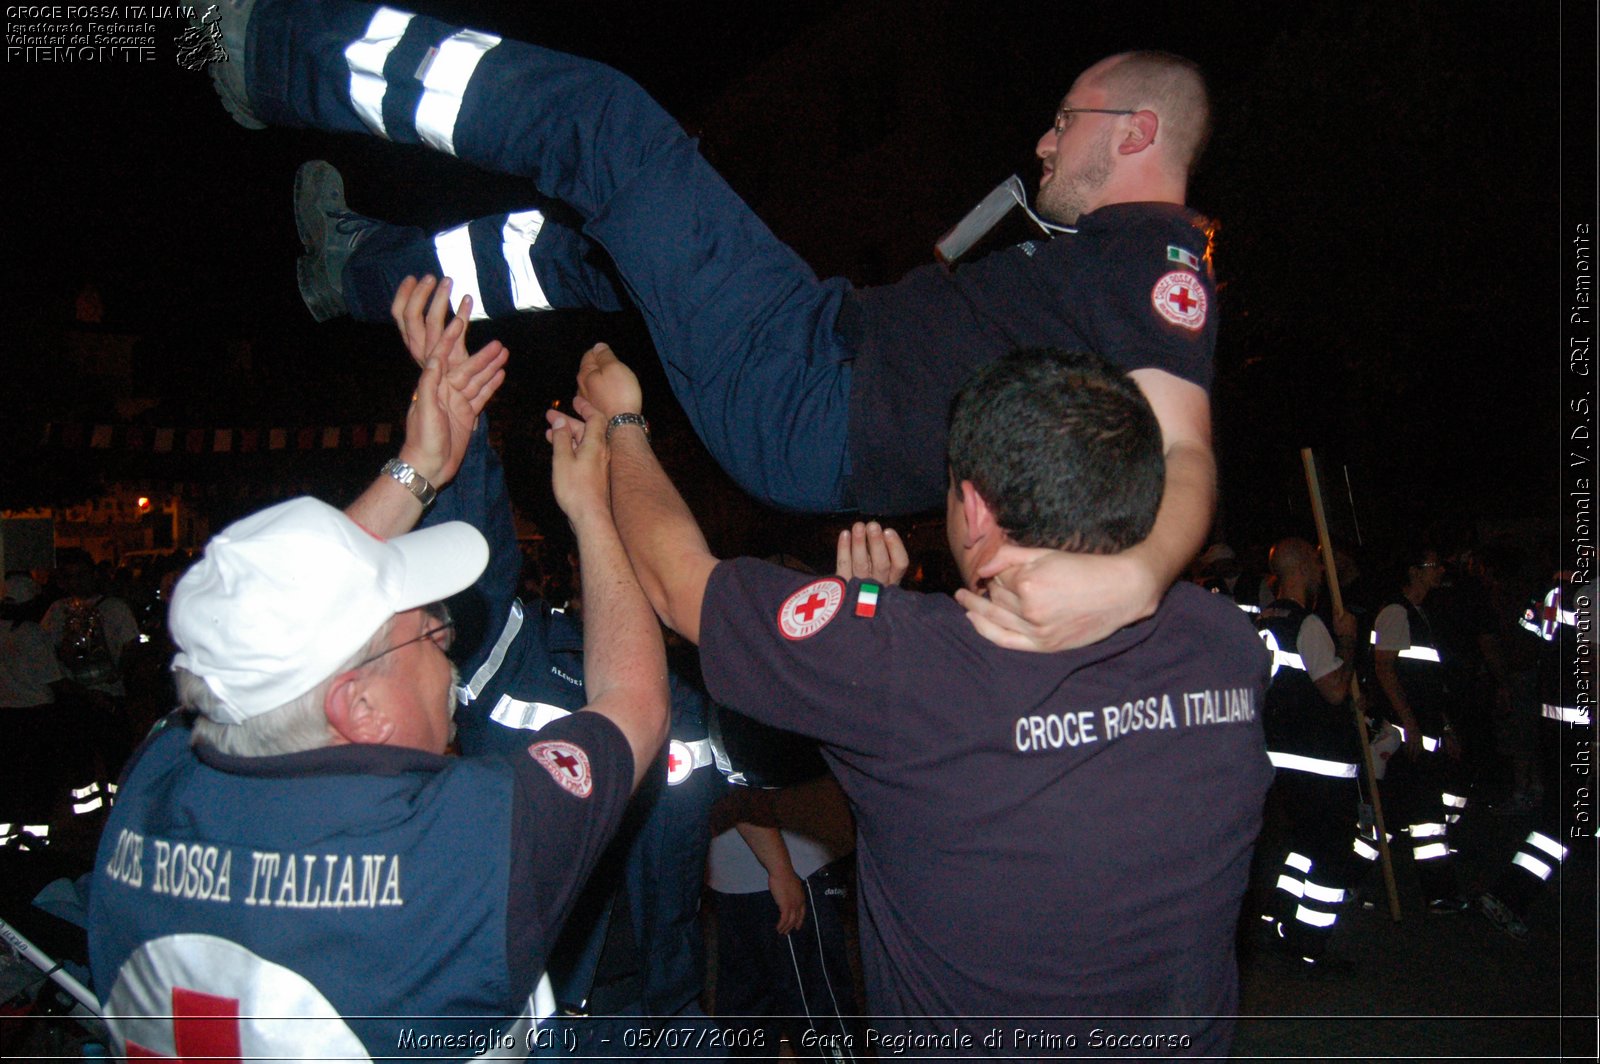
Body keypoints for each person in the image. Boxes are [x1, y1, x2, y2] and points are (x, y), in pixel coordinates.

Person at [194, 0, 1218, 653]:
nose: (1041, 140)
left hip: (810, 390)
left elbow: (1184, 448)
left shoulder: (1157, 261)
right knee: (598, 252)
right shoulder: (1097, 261)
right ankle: (358, 267)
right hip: (811, 350)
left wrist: (1133, 575)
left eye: (1065, 119)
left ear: (1134, 131)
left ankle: (266, 47)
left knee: (603, 127)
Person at [554, 342, 1271, 1056]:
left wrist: (623, 423)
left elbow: (679, 584)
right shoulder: (1222, 645)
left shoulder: (910, 665)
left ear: (976, 509)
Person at [86, 327, 673, 1058]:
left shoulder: (155, 788)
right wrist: (592, 510)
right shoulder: (462, 851)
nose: (443, 635)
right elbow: (637, 705)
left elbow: (241, 641)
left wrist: (420, 465)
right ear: (356, 707)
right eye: (424, 629)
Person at [369, 276, 728, 1058]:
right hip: (551, 1026)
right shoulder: (523, 661)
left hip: (672, 1018)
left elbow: (795, 739)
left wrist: (870, 613)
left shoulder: (701, 693)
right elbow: (479, 567)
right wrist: (459, 429)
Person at [1253, 537, 1371, 967]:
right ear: (1302, 567)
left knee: (1301, 844)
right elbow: (1335, 691)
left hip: (1278, 756)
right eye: (1318, 565)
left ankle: (1280, 917)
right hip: (1319, 759)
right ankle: (1310, 942)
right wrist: (1349, 643)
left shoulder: (1261, 621)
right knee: (1333, 853)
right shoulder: (1308, 626)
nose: (1324, 572)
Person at [1476, 577, 1595, 940]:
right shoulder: (1592, 593)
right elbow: (1592, 663)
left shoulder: (1562, 591)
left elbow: (1527, 645)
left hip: (1559, 718)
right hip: (1580, 723)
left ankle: (1508, 895)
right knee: (1564, 817)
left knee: (1567, 815)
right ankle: (1507, 895)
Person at [1369, 546, 1470, 913]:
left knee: (1394, 815)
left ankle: (1354, 878)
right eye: (1432, 564)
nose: (1440, 569)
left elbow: (1428, 679)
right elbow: (1385, 670)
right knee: (1425, 813)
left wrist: (1444, 726)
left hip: (1423, 730)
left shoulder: (1421, 613)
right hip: (1403, 735)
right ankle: (1439, 892)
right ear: (1413, 571)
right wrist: (1409, 723)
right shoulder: (1396, 612)